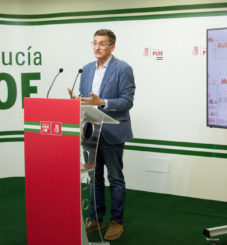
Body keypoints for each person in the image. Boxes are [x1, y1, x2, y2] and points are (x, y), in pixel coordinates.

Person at [68, 29, 135, 241]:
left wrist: (103, 102)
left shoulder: (123, 68)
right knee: (93, 178)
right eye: (95, 43)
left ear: (112, 47)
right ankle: (96, 218)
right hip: (90, 132)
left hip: (113, 132)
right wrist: (77, 100)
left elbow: (127, 101)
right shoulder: (86, 69)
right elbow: (87, 101)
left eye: (103, 44)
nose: (97, 47)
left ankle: (117, 222)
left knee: (115, 178)